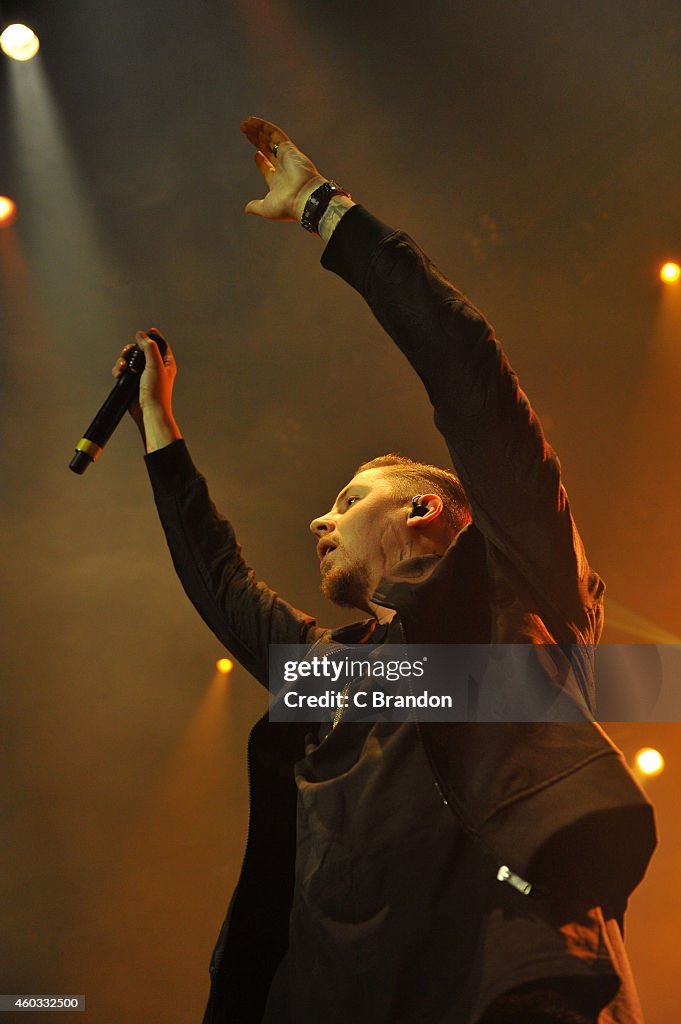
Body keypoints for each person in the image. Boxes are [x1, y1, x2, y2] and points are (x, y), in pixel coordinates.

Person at [114, 118, 656, 1023]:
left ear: (423, 510)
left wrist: (330, 215)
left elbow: (467, 374)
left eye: (350, 495)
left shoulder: (519, 589)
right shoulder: (339, 673)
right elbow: (223, 585)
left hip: (506, 988)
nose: (320, 518)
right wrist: (159, 428)